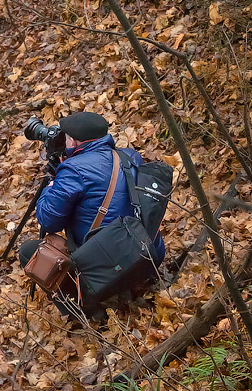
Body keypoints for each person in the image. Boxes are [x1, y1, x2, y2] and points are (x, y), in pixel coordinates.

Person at [19, 111, 165, 315]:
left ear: (74, 141)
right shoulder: (129, 156)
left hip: (107, 271)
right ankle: (131, 286)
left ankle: (83, 310)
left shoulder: (73, 170)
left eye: (66, 138)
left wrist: (52, 183)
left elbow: (48, 221)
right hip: (144, 256)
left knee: (29, 252)